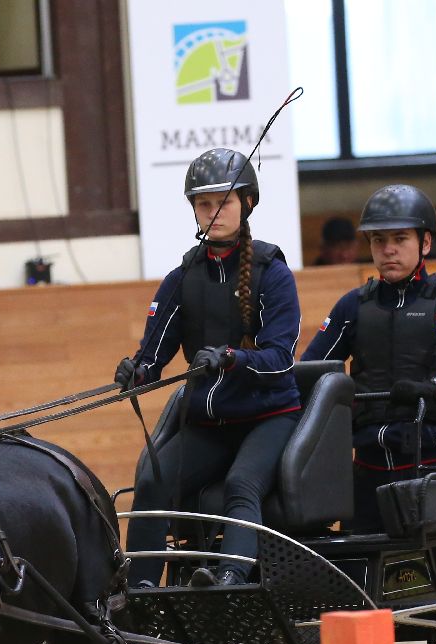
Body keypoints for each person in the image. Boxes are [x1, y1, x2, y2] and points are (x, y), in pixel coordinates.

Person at [297, 184, 436, 603]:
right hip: (368, 469)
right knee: (354, 587)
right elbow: (309, 375)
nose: (388, 250)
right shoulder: (352, 307)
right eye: (378, 240)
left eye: (399, 239)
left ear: (425, 242)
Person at [115, 148, 303, 589]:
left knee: (242, 483)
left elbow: (280, 358)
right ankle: (136, 593)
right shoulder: (181, 278)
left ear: (248, 203)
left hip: (269, 416)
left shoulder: (272, 273)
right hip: (209, 422)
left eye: (225, 201)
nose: (213, 212)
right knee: (151, 481)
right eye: (204, 203)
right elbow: (153, 357)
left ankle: (230, 580)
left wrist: (233, 358)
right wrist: (136, 373)